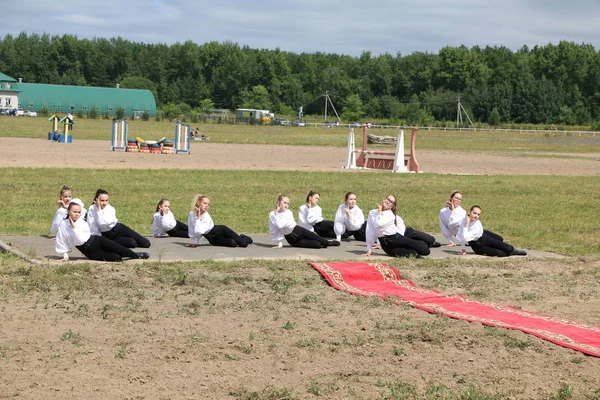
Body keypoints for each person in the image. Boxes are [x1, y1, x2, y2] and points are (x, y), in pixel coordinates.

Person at [55, 201, 149, 262]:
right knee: (116, 258)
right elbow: (62, 239)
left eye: (79, 212)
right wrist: (65, 255)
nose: (76, 214)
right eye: (74, 212)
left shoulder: (81, 223)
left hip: (95, 241)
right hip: (88, 251)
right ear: (68, 212)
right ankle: (124, 256)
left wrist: (74, 227)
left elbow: (81, 238)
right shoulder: (63, 224)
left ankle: (135, 255)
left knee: (118, 248)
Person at [364, 195, 431, 258]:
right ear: (384, 199)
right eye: (387, 199)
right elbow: (370, 230)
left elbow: (379, 224)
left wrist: (379, 213)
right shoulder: (372, 213)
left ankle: (421, 243)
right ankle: (415, 246)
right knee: (414, 254)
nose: (388, 202)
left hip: (395, 238)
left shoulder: (391, 215)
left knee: (426, 251)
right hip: (386, 245)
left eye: (391, 202)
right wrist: (369, 248)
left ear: (392, 206)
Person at [87, 189, 151, 249]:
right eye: (102, 200)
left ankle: (139, 238)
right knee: (132, 243)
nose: (104, 203)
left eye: (106, 200)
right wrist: (98, 240)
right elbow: (92, 227)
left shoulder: (110, 209)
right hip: (105, 235)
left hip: (117, 229)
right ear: (96, 200)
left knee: (146, 244)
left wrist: (99, 210)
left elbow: (102, 223)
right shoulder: (92, 209)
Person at [269, 194, 340, 249]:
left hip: (298, 230)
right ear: (278, 202)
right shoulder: (272, 214)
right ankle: (323, 244)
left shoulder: (288, 212)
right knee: (317, 245)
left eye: (288, 203)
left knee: (322, 241)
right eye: (284, 202)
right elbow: (276, 228)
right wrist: (280, 243)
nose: (286, 205)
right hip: (291, 239)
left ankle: (329, 243)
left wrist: (280, 219)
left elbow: (284, 224)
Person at [457, 205, 527, 257]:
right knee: (501, 253)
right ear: (470, 212)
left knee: (503, 242)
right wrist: (463, 249)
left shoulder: (477, 224)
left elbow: (465, 236)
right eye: (474, 213)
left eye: (478, 214)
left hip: (483, 237)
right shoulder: (464, 221)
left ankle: (511, 250)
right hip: (477, 245)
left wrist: (467, 225)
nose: (476, 216)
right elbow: (462, 236)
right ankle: (512, 252)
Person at [187, 194, 253, 247]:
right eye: (205, 203)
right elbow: (192, 229)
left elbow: (200, 230)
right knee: (233, 243)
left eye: (208, 204)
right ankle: (238, 238)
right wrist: (196, 243)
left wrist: (198, 218)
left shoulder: (206, 216)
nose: (207, 205)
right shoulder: (191, 214)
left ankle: (243, 237)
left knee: (243, 244)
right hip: (212, 239)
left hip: (221, 231)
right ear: (198, 203)